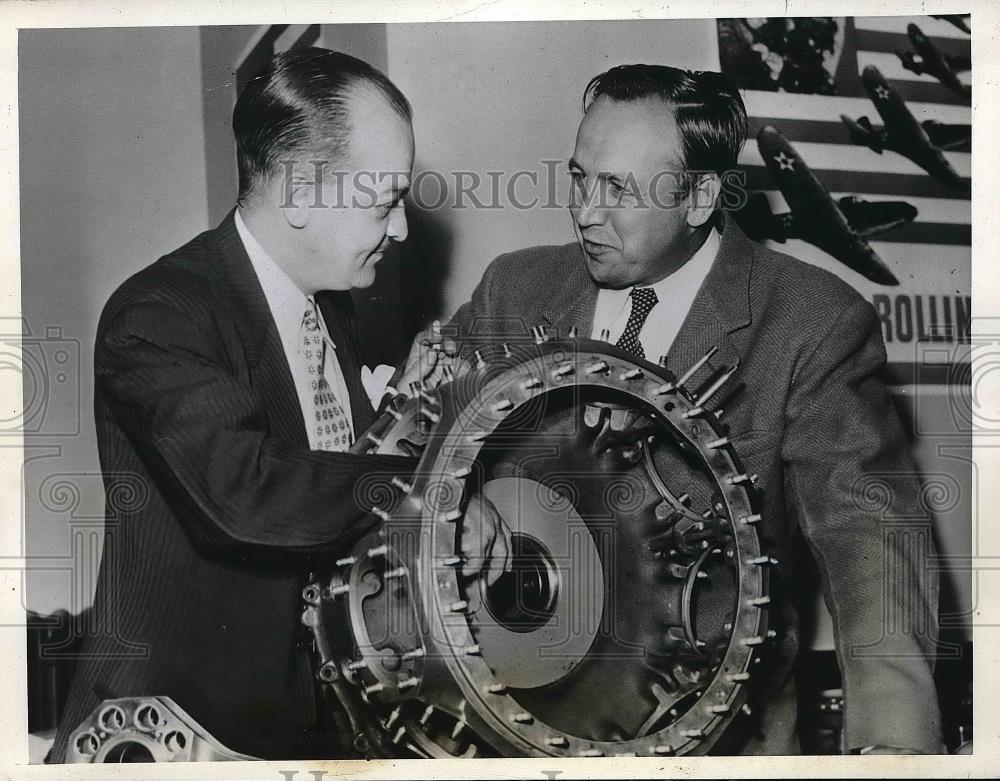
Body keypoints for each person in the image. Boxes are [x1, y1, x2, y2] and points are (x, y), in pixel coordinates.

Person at [446, 64, 942, 754]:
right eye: (580, 176)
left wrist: (895, 742)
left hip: (717, 737)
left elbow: (870, 528)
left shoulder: (810, 322)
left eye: (617, 187)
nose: (585, 210)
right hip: (522, 724)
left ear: (701, 196)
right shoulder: (514, 287)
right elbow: (426, 430)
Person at [49, 48, 496, 762]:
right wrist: (423, 489)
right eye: (384, 199)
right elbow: (246, 491)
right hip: (170, 737)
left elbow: (332, 497)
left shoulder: (333, 314)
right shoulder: (158, 313)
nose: (403, 229)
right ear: (297, 191)